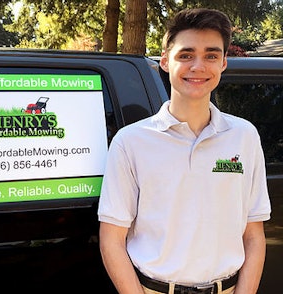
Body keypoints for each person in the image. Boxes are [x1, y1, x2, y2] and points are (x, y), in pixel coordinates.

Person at [97, 8, 271, 294]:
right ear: (165, 61)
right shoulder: (131, 142)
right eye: (186, 55)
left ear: (224, 63)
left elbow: (253, 234)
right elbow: (112, 239)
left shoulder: (244, 136)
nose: (198, 66)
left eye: (211, 55)